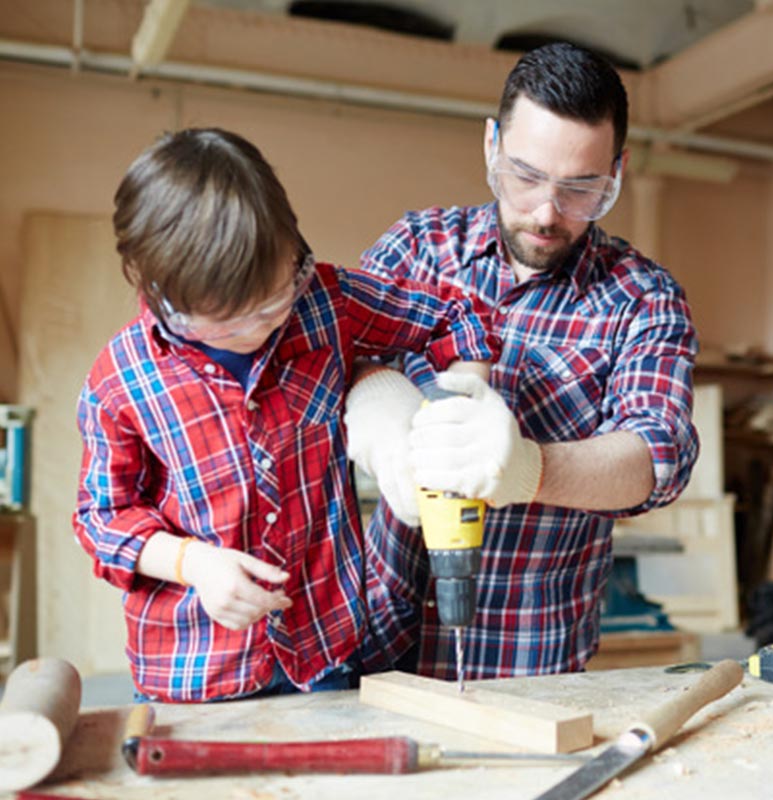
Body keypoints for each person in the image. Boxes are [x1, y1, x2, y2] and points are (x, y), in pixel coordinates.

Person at [73, 128, 498, 703]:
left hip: (326, 650)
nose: (265, 327)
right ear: (164, 294)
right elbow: (102, 517)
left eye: (276, 300)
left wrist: (463, 406)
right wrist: (192, 563)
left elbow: (456, 317)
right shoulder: (120, 380)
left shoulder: (324, 302)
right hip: (195, 672)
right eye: (232, 321)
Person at [346, 42, 699, 680]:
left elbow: (657, 458)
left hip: (530, 657)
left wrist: (529, 469)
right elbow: (342, 363)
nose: (546, 212)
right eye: (526, 176)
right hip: (375, 631)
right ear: (490, 146)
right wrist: (387, 427)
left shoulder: (642, 297)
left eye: (580, 189)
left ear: (615, 173)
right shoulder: (419, 250)